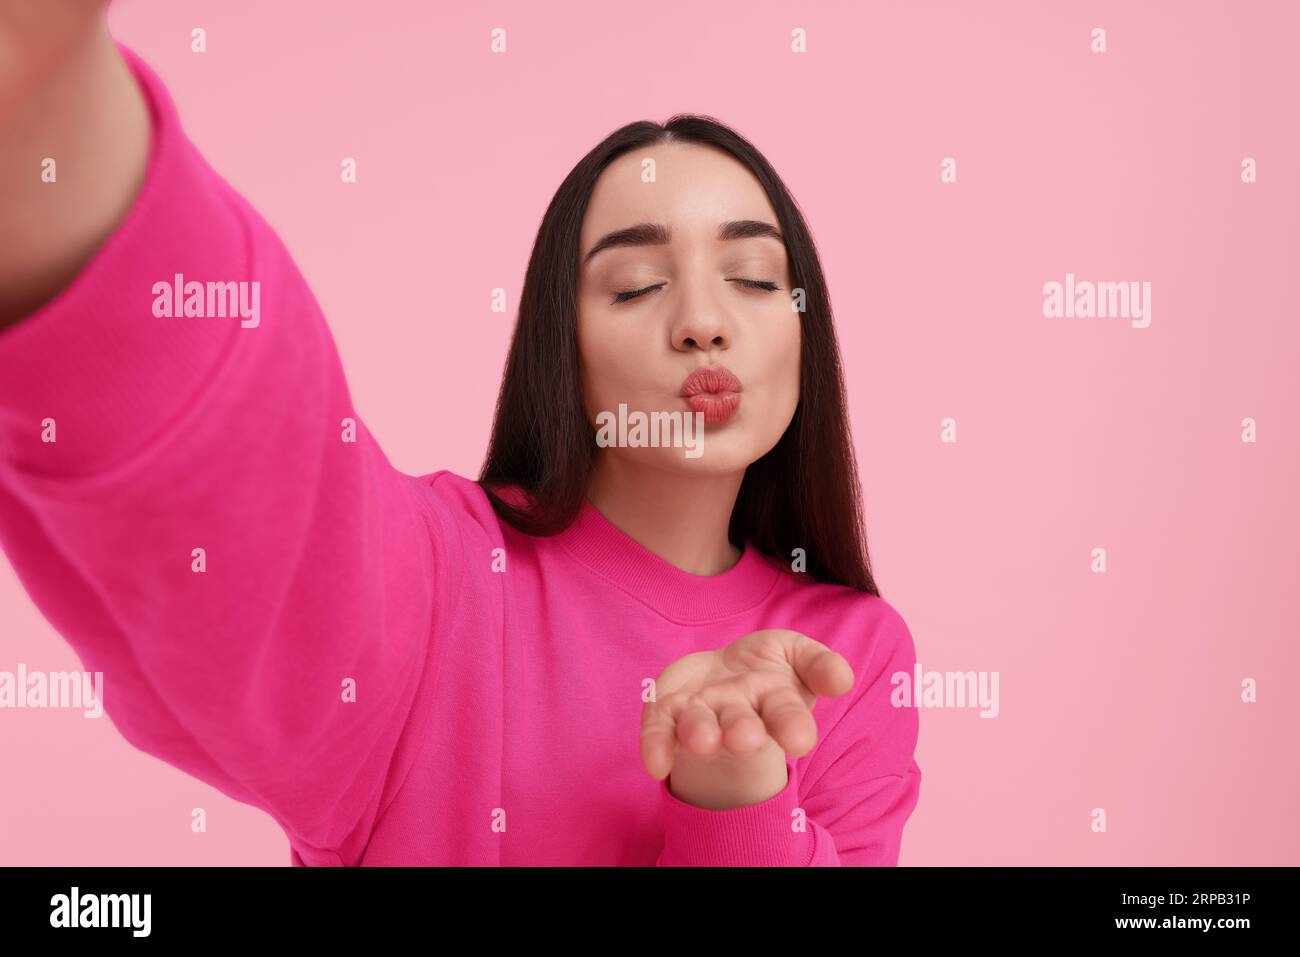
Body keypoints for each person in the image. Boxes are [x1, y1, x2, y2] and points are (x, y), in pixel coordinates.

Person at [0, 4, 921, 866]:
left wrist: (737, 786)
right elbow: (266, 520)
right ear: (560, 347)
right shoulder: (449, 577)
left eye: (756, 277)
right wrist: (60, 122)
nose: (702, 322)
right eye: (637, 283)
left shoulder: (852, 656)